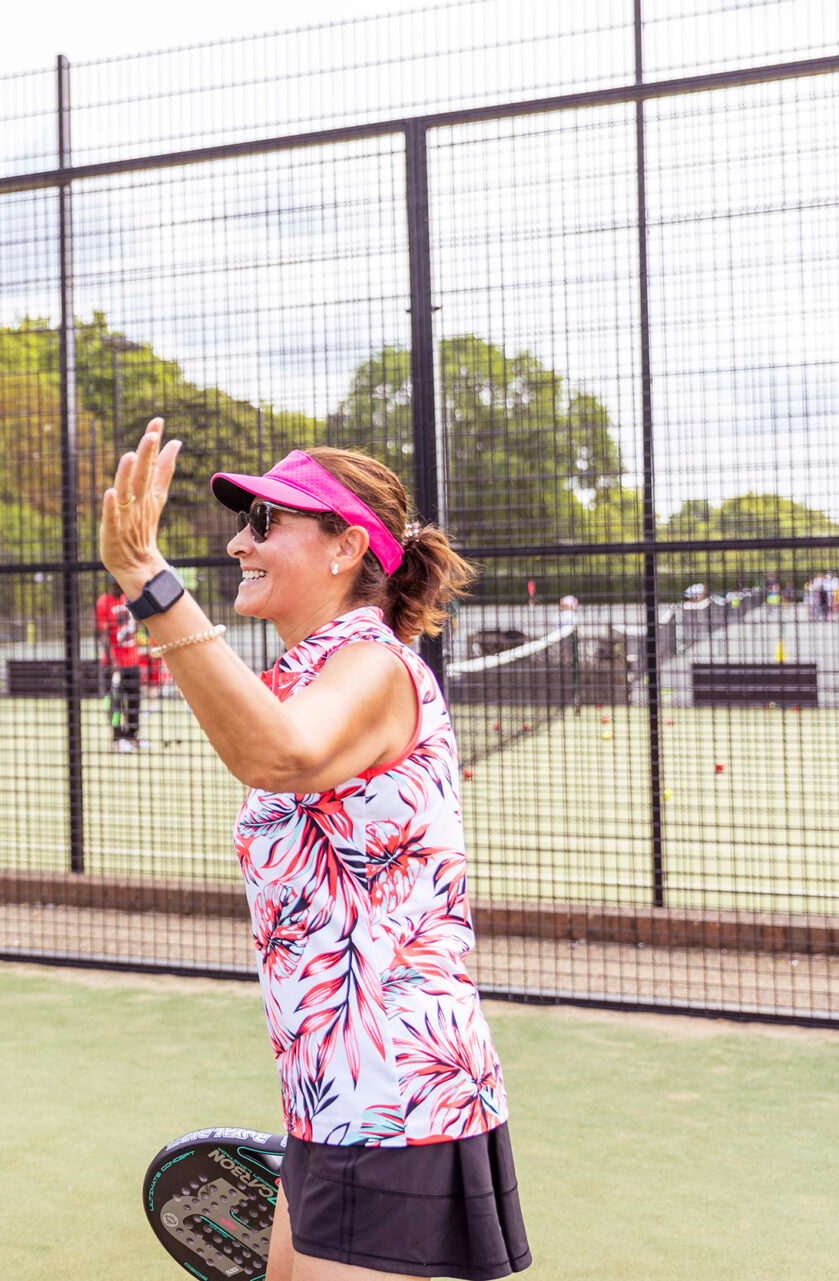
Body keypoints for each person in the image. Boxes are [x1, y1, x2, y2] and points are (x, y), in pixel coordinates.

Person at [100, 425, 528, 1281]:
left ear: (345, 546)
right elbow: (265, 737)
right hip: (336, 1095)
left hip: (399, 1096)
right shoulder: (305, 674)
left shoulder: (374, 665)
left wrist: (152, 585)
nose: (239, 541)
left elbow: (280, 754)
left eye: (267, 521)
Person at [96, 576, 148, 751]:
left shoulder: (128, 598)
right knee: (115, 703)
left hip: (132, 660)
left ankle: (132, 736)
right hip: (114, 664)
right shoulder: (103, 602)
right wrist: (113, 662)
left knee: (134, 700)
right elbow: (103, 635)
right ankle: (117, 739)